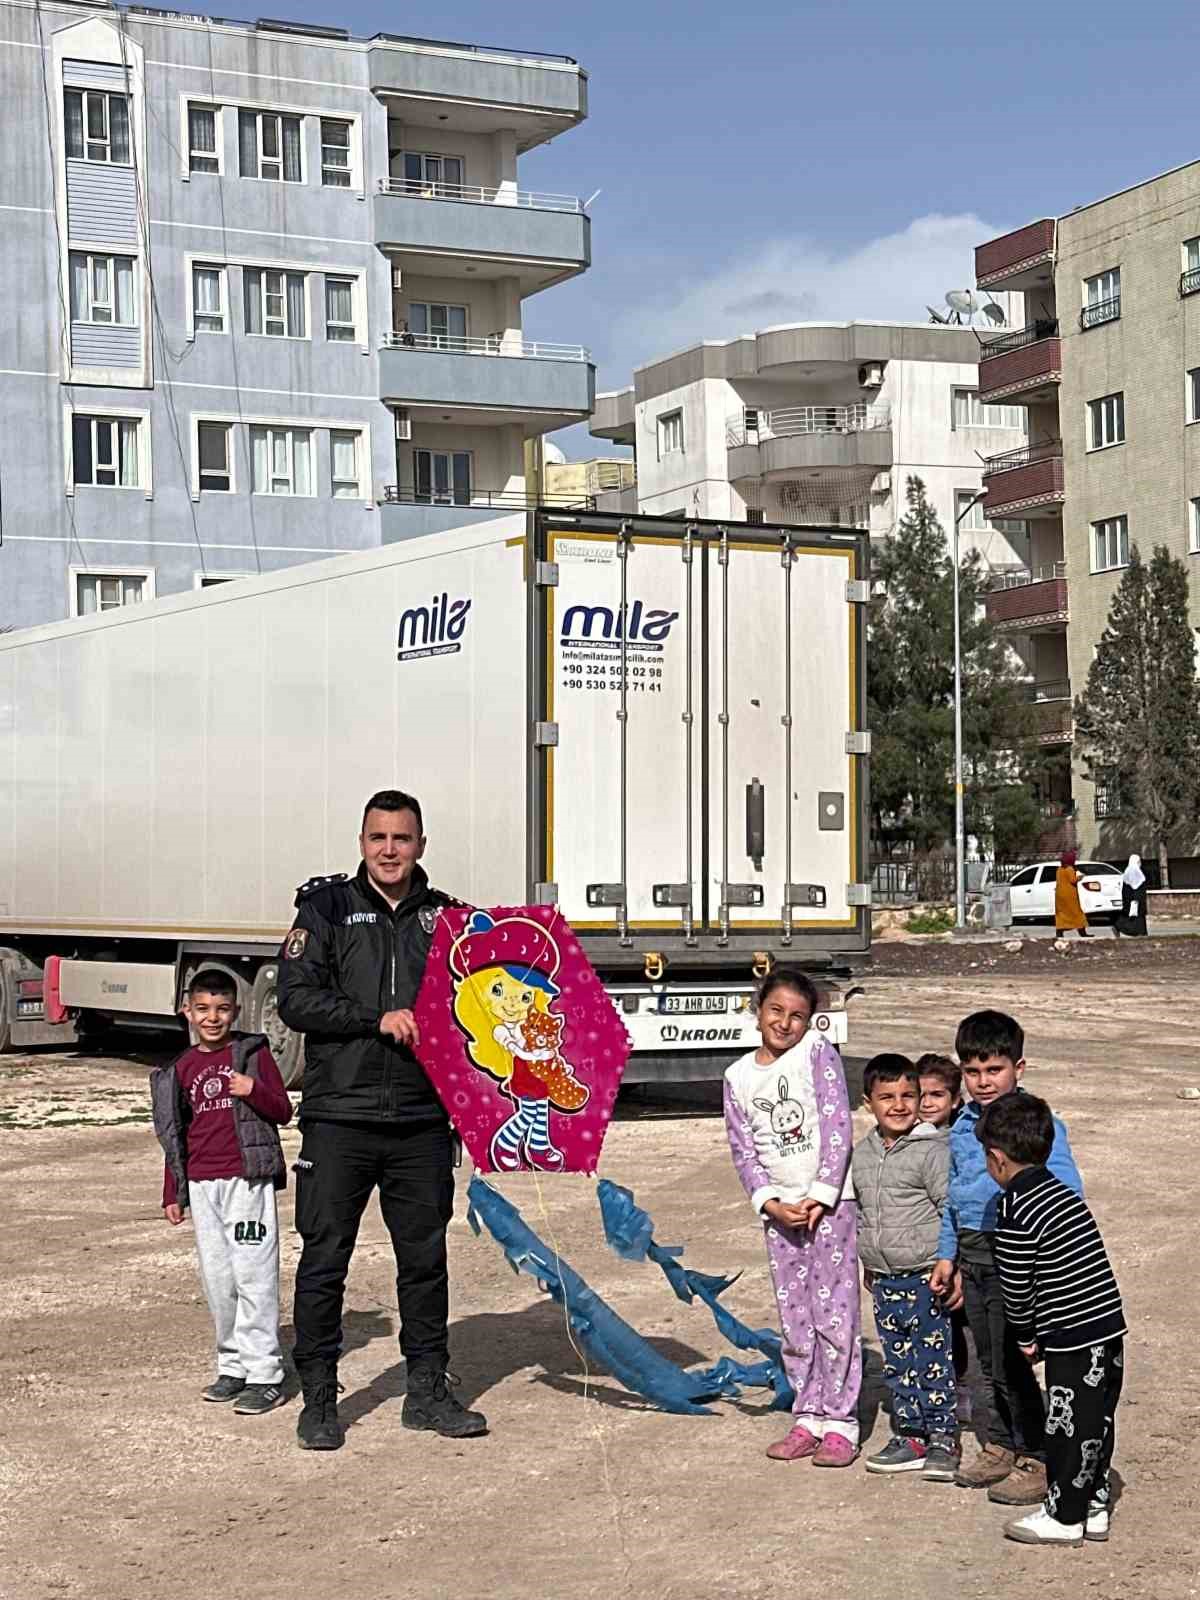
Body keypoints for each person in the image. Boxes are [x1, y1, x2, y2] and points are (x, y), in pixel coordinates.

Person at [278, 789, 487, 1451]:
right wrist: (376, 1020)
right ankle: (318, 1400)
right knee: (324, 1260)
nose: (390, 850)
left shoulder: (451, 920)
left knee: (424, 1263)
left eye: (402, 839)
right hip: (339, 1117)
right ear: (361, 842)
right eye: (378, 838)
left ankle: (427, 1390)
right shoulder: (326, 909)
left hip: (423, 1121)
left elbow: (486, 1008)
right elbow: (295, 1000)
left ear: (421, 844)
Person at [929, 1009, 1084, 1506]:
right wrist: (947, 1258)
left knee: (1015, 1361)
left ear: (1020, 1067)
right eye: (972, 1072)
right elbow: (954, 1200)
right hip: (971, 1257)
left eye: (994, 1069)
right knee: (987, 1360)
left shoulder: (1038, 1124)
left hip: (1014, 1258)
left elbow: (1065, 1193)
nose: (982, 1082)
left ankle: (1036, 1455)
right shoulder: (961, 1127)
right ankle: (998, 1444)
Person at [723, 969, 861, 1467]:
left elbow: (837, 1123)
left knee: (836, 1313)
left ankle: (841, 1421)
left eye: (797, 1015)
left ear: (809, 1022)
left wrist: (821, 1195)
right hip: (780, 1215)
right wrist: (771, 1202)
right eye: (776, 1011)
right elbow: (743, 1151)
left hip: (831, 1207)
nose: (785, 1023)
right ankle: (808, 1415)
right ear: (757, 1010)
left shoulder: (815, 1053)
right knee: (796, 1319)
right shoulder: (737, 1077)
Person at [977, 1093, 1125, 1547]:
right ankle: (1095, 1503)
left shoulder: (1014, 1208)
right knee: (1097, 1419)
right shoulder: (1061, 1192)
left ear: (998, 1159)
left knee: (1065, 1427)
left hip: (1071, 1334)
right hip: (1108, 1327)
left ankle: (1064, 1515)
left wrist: (1024, 1336)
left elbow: (1017, 1285)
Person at [150, 968, 292, 1415]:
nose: (213, 1018)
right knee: (218, 1280)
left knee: (253, 1273)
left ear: (236, 1010)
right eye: (203, 1009)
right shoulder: (180, 1069)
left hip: (246, 1179)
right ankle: (232, 1366)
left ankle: (265, 1373)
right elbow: (175, 1136)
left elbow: (283, 1110)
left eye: (223, 1009)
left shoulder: (250, 1053)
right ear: (186, 1011)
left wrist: (253, 1090)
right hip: (202, 1183)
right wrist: (173, 1190)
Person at [852, 1053, 958, 1482]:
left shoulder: (931, 1151)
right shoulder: (862, 1154)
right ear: (867, 1102)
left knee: (933, 1358)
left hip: (925, 1274)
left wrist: (952, 1265)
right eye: (886, 1097)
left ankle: (943, 1438)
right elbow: (862, 1211)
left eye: (907, 1096)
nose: (898, 1105)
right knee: (897, 1361)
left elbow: (950, 1207)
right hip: (884, 1279)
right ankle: (910, 1435)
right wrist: (868, 1260)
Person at [916, 1053, 971, 1423]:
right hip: (920, 1250)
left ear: (954, 1100)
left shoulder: (965, 1140)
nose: (926, 1103)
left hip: (958, 1250)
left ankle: (960, 1388)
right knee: (923, 1322)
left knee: (956, 1321)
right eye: (919, 1094)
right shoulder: (905, 1140)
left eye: (937, 1094)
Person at [1054, 849, 1090, 938]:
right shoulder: (1069, 869)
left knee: (1062, 914)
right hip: (1069, 895)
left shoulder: (1059, 869)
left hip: (1059, 895)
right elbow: (1073, 880)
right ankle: (1082, 933)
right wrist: (1080, 877)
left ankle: (1059, 932)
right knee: (1077, 913)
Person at [1115, 853, 1148, 937]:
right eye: (1139, 861)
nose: (1140, 863)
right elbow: (1136, 886)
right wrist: (1136, 898)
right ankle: (1121, 927)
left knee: (1133, 916)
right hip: (1134, 898)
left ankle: (1141, 932)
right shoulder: (1134, 871)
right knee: (1136, 916)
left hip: (1130, 898)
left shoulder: (1128, 870)